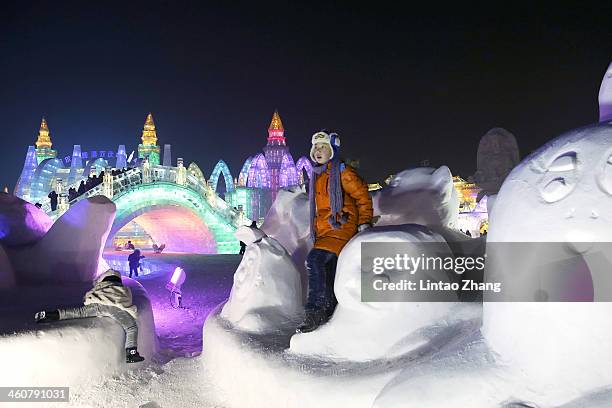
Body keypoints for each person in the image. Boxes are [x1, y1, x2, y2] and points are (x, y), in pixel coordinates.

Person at [296, 131, 373, 333]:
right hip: (325, 231)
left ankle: (315, 311)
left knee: (315, 260)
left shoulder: (341, 171)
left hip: (341, 226)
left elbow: (362, 196)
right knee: (329, 270)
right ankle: (330, 309)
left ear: (331, 150)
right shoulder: (317, 175)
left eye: (323, 148)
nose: (318, 151)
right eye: (315, 149)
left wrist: (364, 222)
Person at [34, 269, 145, 363]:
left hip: (96, 306)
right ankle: (131, 353)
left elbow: (91, 293)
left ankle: (49, 315)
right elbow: (127, 299)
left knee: (77, 312)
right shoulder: (124, 289)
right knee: (131, 327)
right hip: (115, 309)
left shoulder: (101, 285)